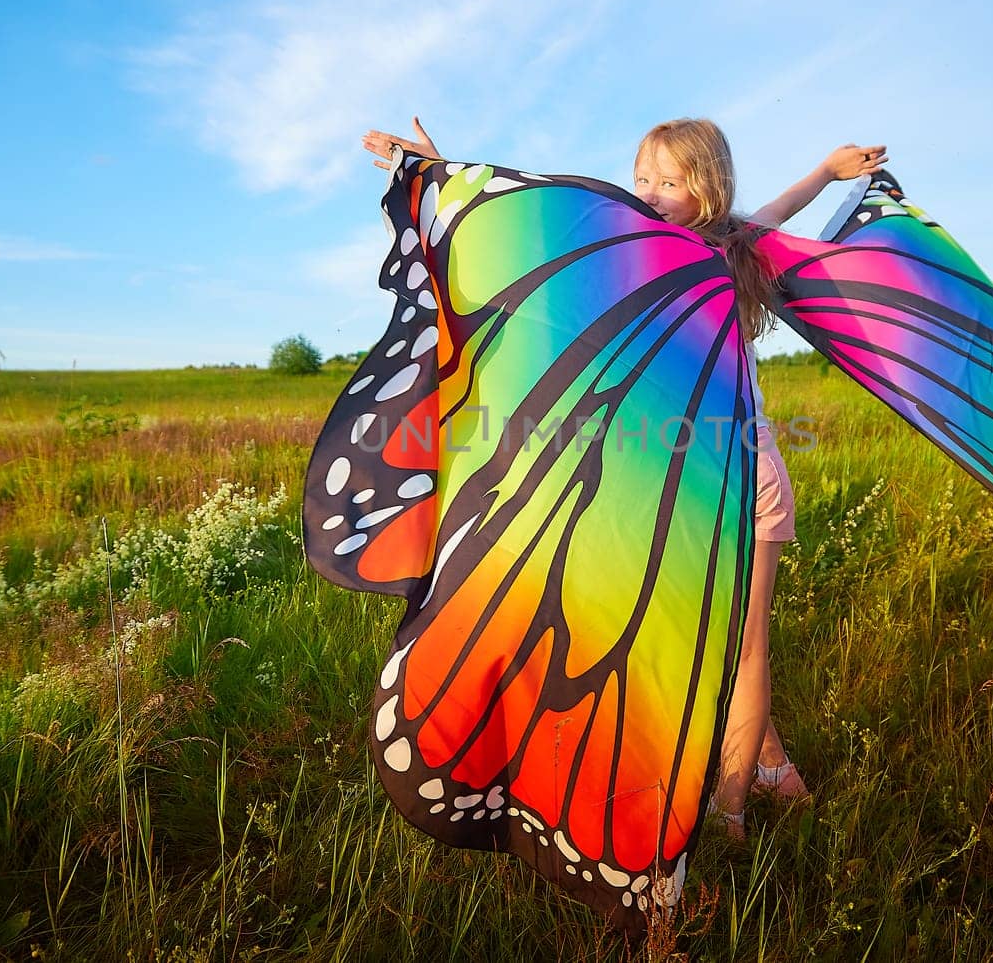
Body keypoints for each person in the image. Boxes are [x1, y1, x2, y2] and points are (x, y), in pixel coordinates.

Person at [360, 116, 888, 838]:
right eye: (644, 179)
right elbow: (534, 219)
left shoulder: (728, 249)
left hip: (740, 475)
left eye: (671, 181)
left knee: (743, 642)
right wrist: (436, 168)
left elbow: (773, 213)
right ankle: (770, 763)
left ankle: (730, 811)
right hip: (681, 475)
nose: (652, 193)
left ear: (707, 188)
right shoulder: (637, 250)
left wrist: (827, 174)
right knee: (702, 636)